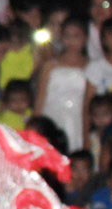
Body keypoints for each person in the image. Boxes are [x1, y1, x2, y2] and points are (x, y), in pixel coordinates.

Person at [34, 17, 89, 151]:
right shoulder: (50, 65)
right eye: (67, 36)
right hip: (52, 115)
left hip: (77, 118)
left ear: (85, 38)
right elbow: (40, 98)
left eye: (76, 36)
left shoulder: (91, 65)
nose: (71, 41)